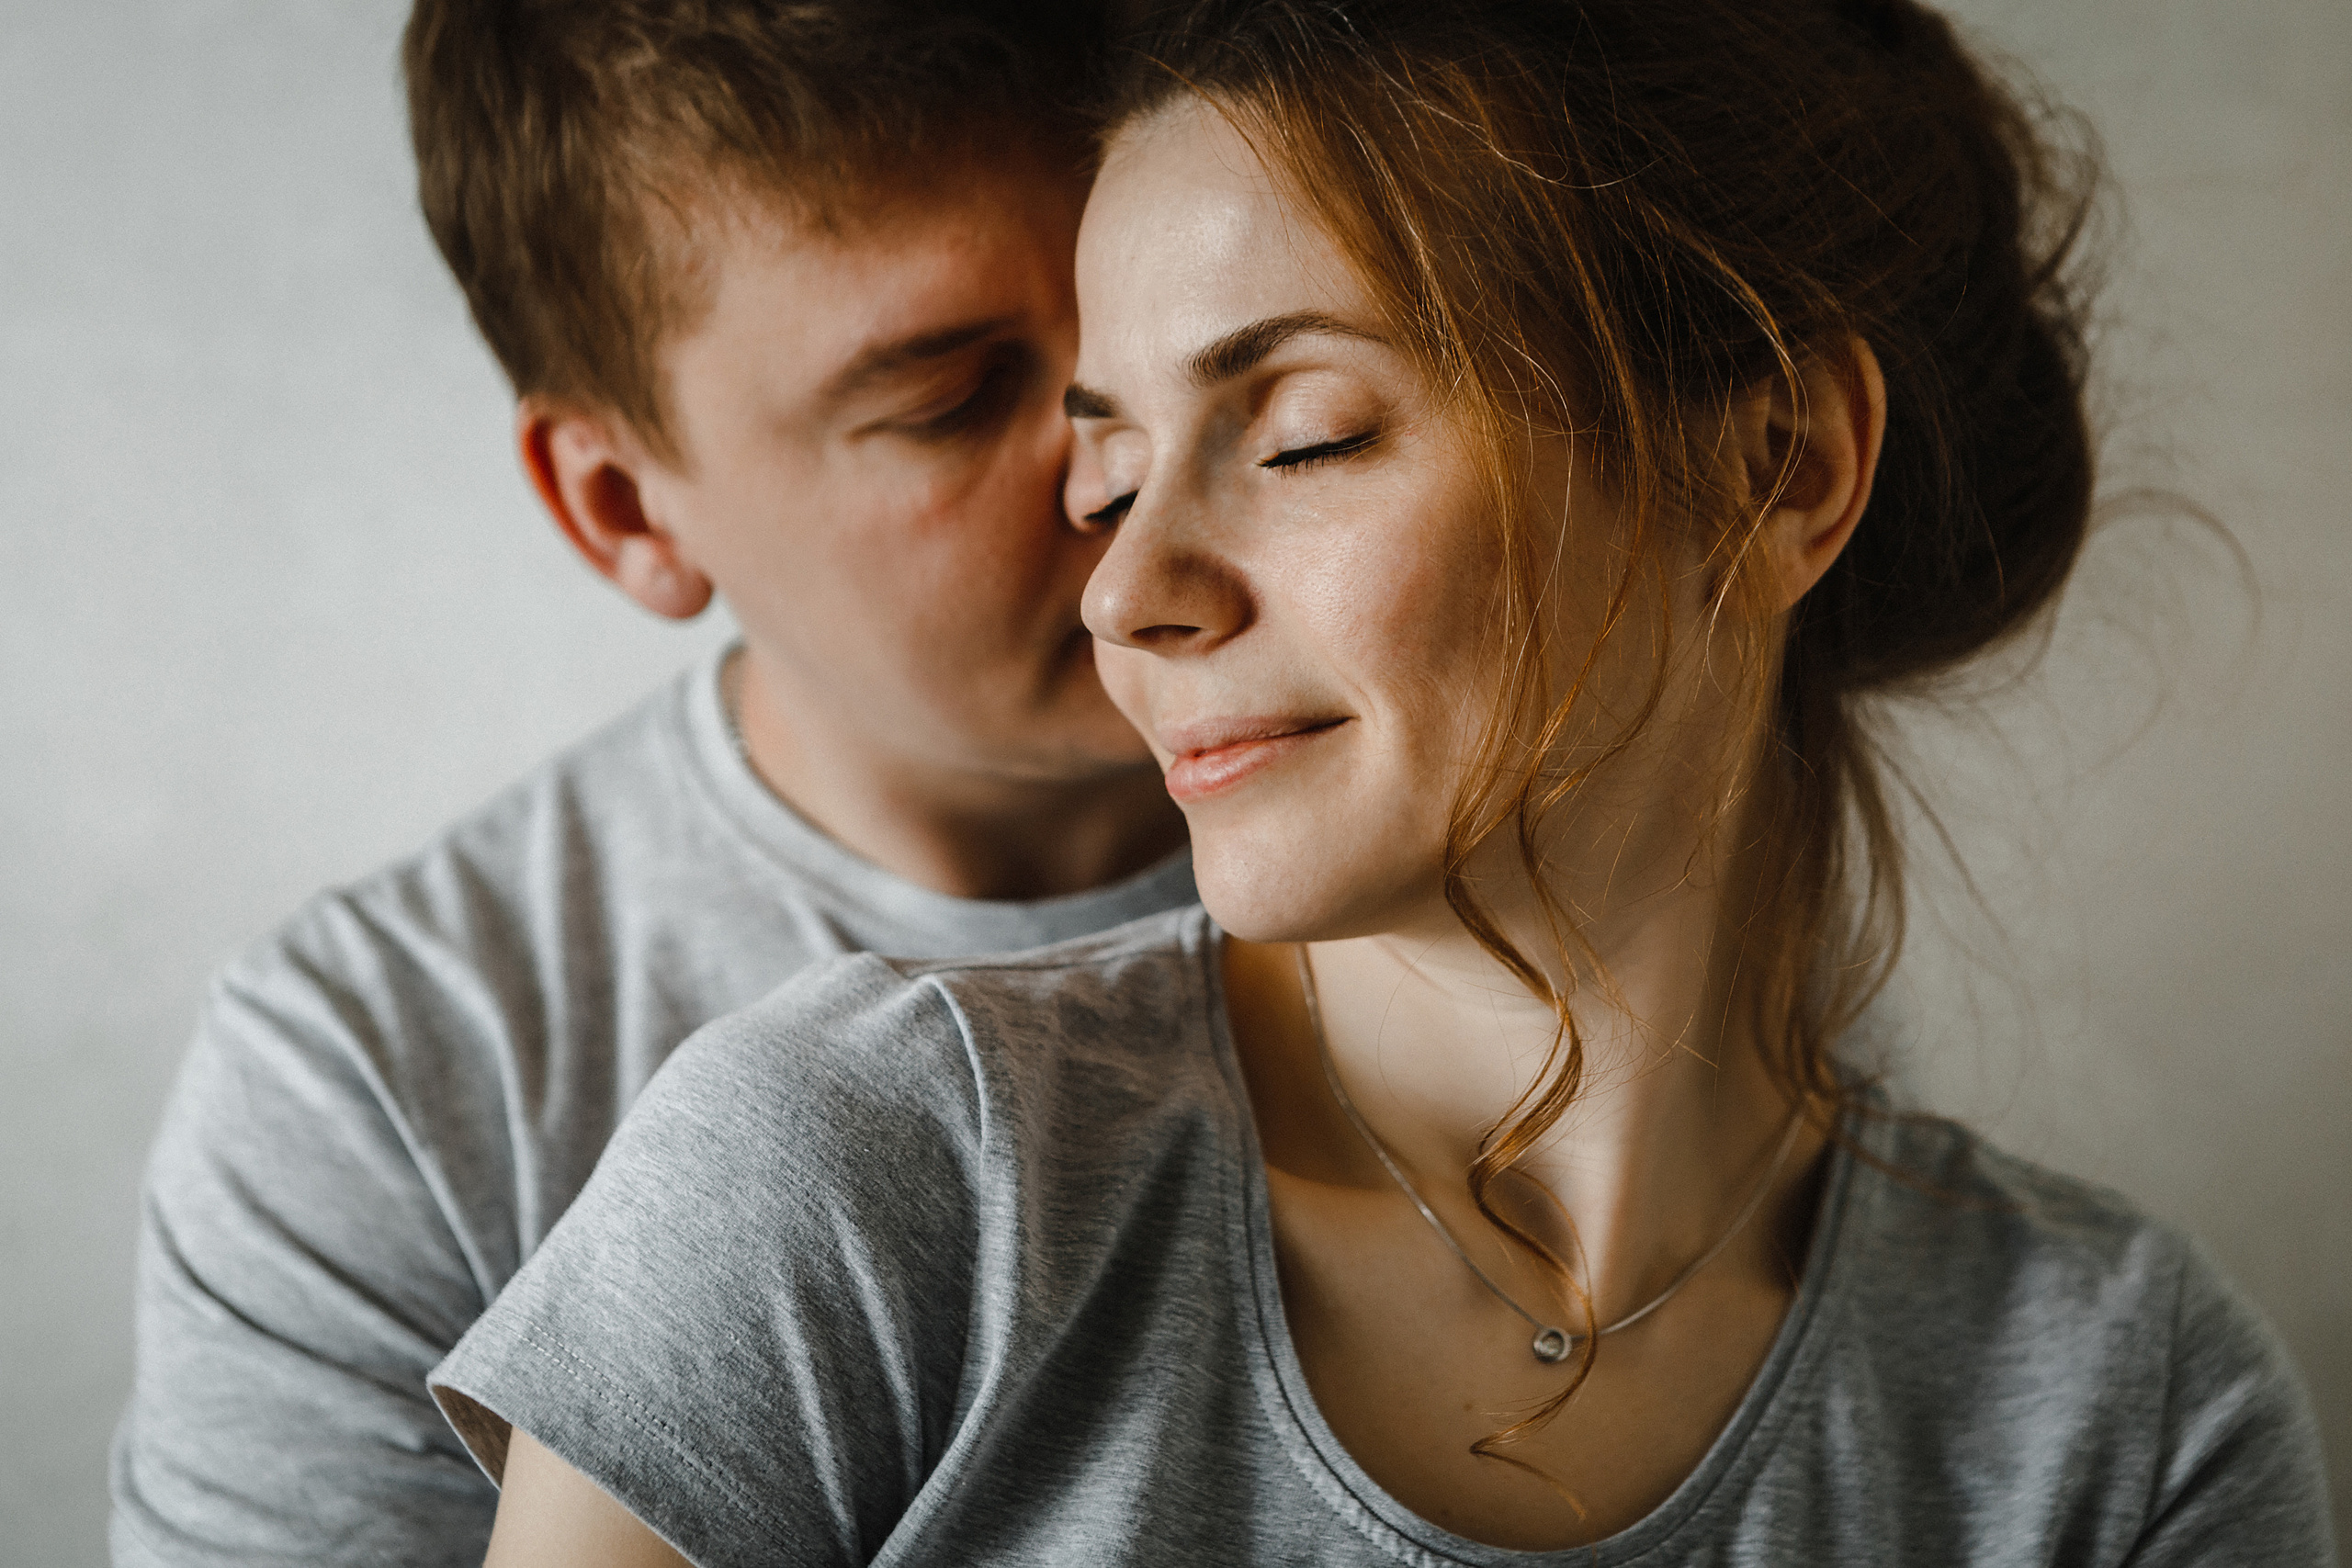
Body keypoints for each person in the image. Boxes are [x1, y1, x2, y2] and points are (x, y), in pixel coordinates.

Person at [431, 0, 2339, 1562]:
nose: (1122, 582)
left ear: (1775, 464)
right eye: (1114, 466)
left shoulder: (2127, 1407)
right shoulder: (853, 1178)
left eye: (1303, 435)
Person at [106, 3, 1197, 1564]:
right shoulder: (382, 1085)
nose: (1126, 462)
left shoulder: (1569, 824)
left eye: (1148, 319)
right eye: (953, 401)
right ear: (623, 507)